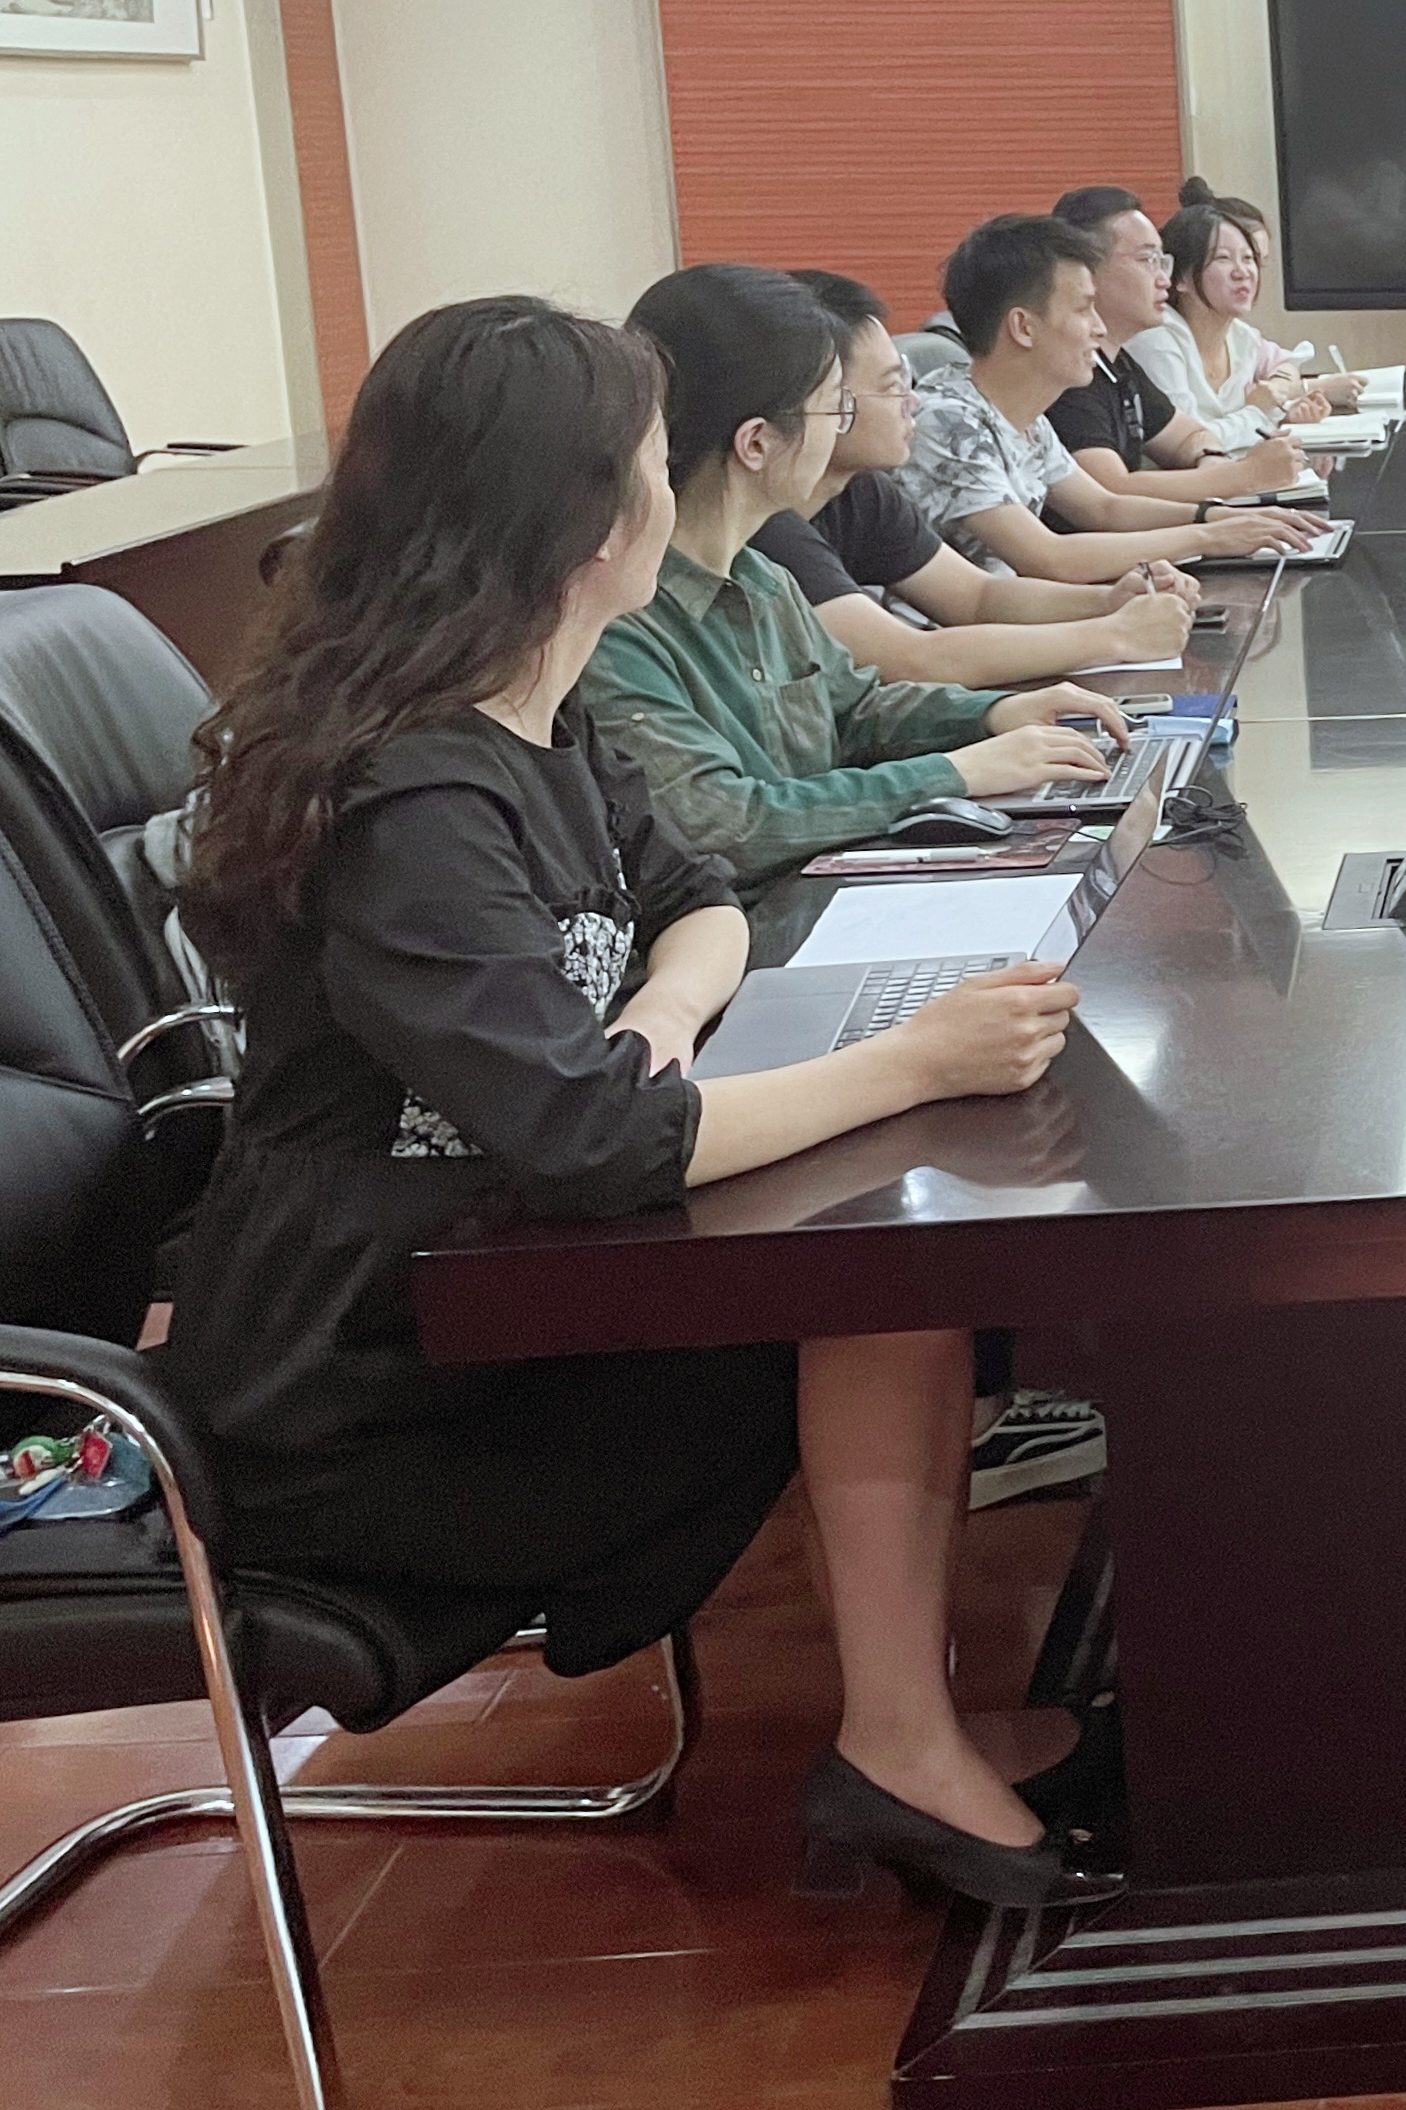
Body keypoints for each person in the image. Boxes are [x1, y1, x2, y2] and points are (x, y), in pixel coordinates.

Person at [157, 295, 1113, 1909]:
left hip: (494, 1272)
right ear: (588, 520)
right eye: (647, 460)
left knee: (892, 1265)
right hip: (376, 1393)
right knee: (879, 1277)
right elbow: (599, 1138)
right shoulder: (413, 792)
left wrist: (662, 1012)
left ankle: (906, 1730)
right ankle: (898, 1744)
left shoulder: (538, 709)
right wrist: (913, 1058)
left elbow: (698, 897)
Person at [580, 263, 1123, 905]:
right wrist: (952, 773)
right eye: (834, 406)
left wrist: (990, 714)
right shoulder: (619, 620)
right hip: (749, 927)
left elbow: (855, 710)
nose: (840, 428)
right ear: (757, 443)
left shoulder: (764, 579)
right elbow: (724, 824)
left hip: (828, 889)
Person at [756, 270, 1197, 690]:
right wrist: (1115, 635)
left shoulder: (859, 490)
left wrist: (1111, 602)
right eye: (891, 387)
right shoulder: (765, 524)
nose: (913, 401)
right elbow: (910, 659)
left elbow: (977, 597)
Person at [902, 214, 1327, 583]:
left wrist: (1220, 517)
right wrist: (1208, 536)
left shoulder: (1023, 417)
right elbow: (1049, 558)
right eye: (1083, 309)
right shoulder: (950, 422)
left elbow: (1103, 508)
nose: (1099, 328)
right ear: (1024, 327)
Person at [1046, 184, 1309, 504]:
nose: (1163, 279)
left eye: (1163, 262)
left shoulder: (1118, 364)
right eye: (1147, 260)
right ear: (1086, 271)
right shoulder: (1065, 371)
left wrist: (1210, 460)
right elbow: (1109, 492)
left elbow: (1189, 436)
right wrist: (1242, 476)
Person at [1126, 180, 1354, 452]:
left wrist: (1281, 414)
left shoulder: (1242, 338)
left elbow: (1281, 372)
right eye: (1223, 258)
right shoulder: (1157, 341)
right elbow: (1190, 444)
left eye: (1248, 259)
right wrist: (1259, 413)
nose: (1242, 272)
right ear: (1179, 278)